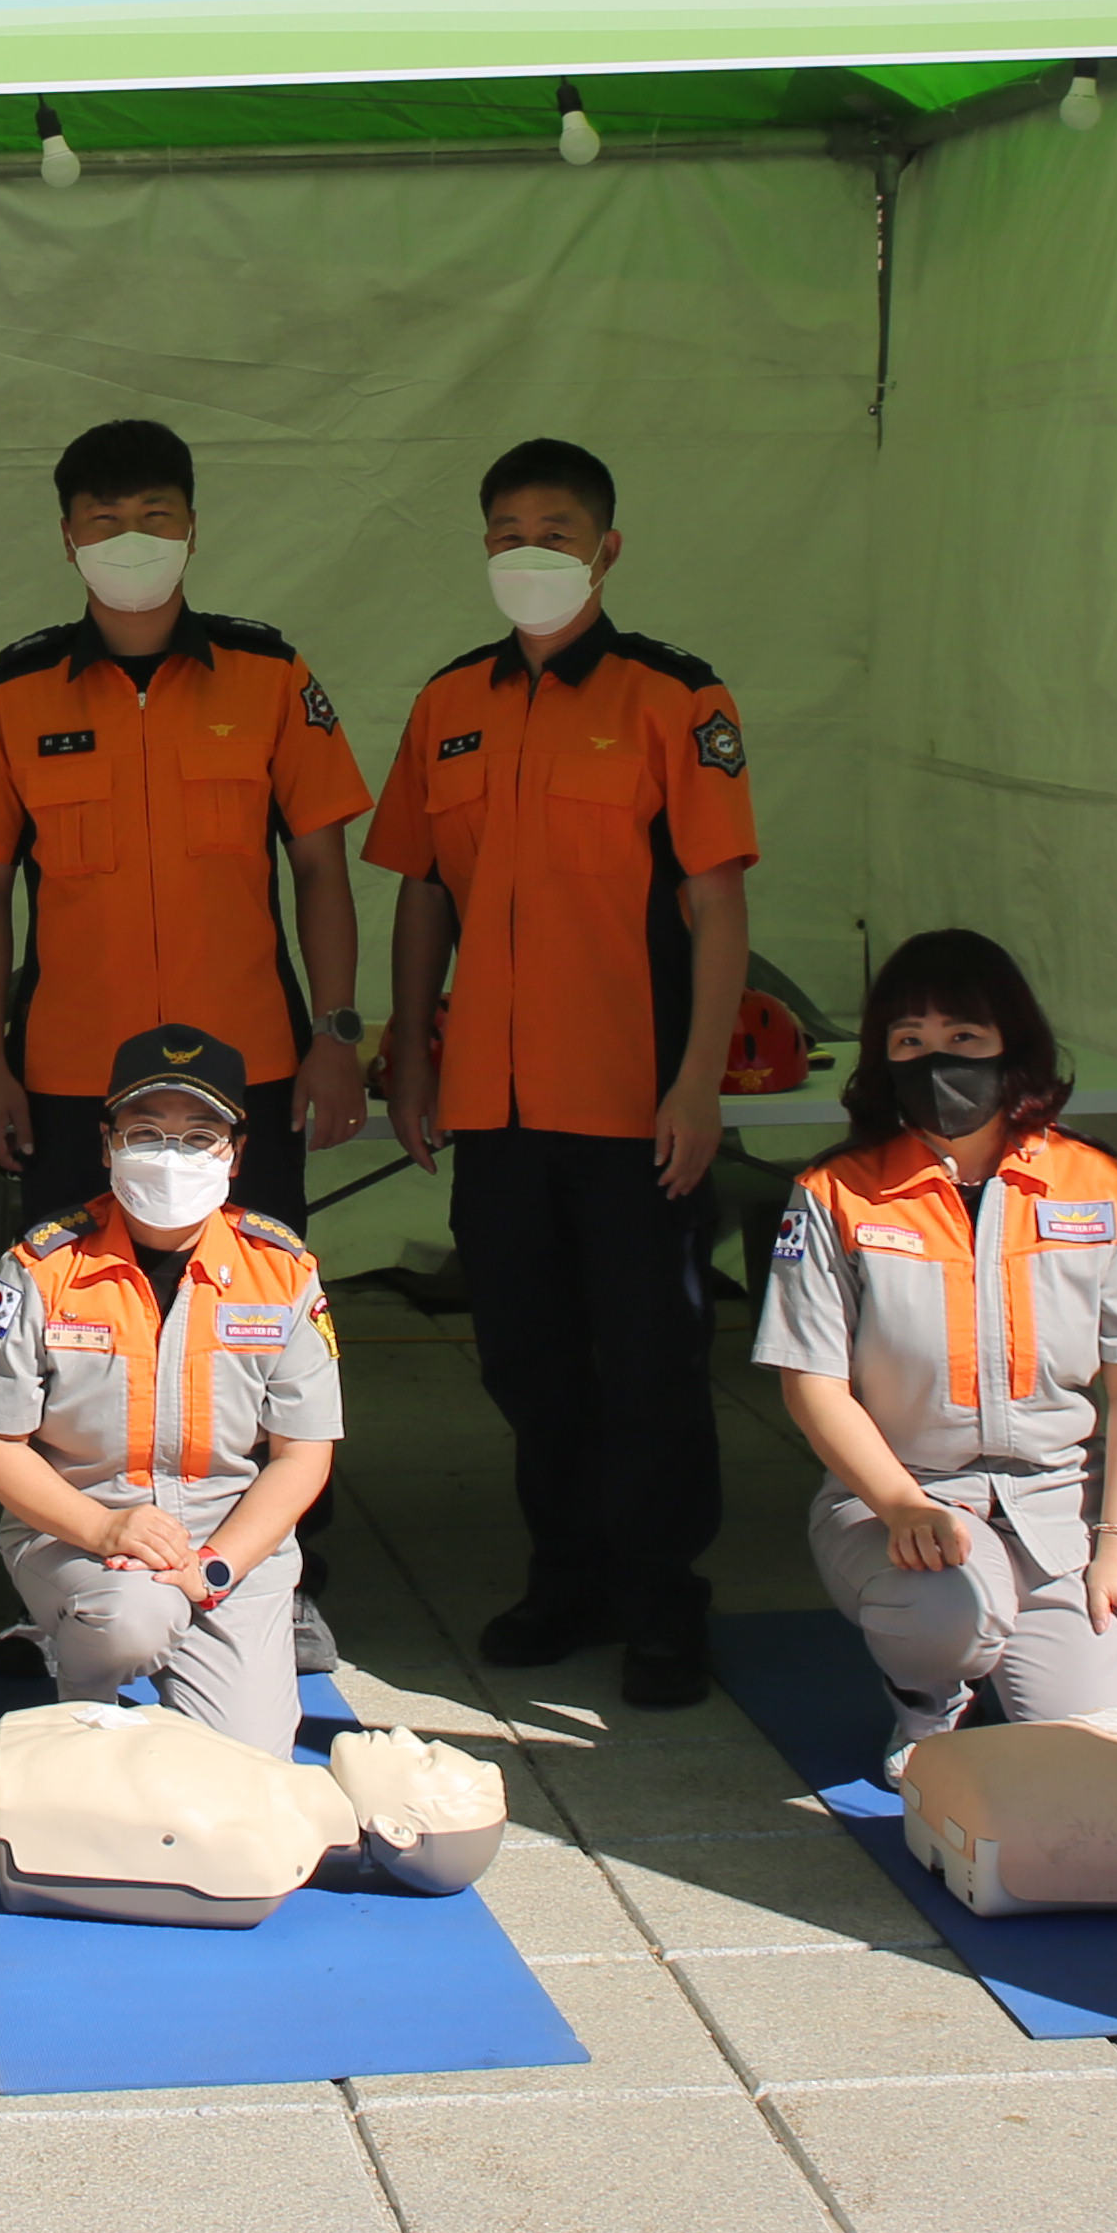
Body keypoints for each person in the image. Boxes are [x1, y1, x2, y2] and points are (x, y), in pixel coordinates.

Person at [364, 437, 759, 1706]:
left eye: (556, 532)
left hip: (633, 1101)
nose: (527, 553)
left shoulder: (674, 698)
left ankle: (663, 1598)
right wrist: (409, 1053)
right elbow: (423, 892)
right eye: (506, 534)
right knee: (524, 1356)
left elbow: (716, 905)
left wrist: (698, 1083)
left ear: (607, 549)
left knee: (649, 1361)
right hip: (495, 1102)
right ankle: (567, 1574)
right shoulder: (449, 704)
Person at [751, 933, 1117, 1778]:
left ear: (1012, 1045)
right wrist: (902, 1505)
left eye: (964, 1037)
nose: (936, 1060)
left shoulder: (1097, 1183)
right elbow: (812, 1384)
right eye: (909, 1040)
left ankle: (1025, 1638)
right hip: (900, 1498)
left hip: (1058, 1509)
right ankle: (926, 1700)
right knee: (944, 1611)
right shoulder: (836, 1190)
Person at [0, 420, 374, 1232]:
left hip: (248, 1067)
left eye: (155, 517)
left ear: (192, 529)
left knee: (251, 1296)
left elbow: (321, 868)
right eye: (104, 521)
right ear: (68, 539)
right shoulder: (15, 693)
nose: (131, 541)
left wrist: (335, 1037)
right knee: (74, 1300)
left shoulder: (270, 678)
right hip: (73, 1077)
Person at [0, 1026, 341, 1749]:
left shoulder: (281, 1272)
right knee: (132, 1618)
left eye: (200, 1136)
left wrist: (217, 1564)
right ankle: (79, 1704)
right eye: (146, 1132)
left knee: (245, 1768)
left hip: (229, 1546)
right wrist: (104, 1530)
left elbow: (303, 1453)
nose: (171, 1155)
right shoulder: (42, 1268)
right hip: (80, 1535)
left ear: (235, 1154)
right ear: (107, 1146)